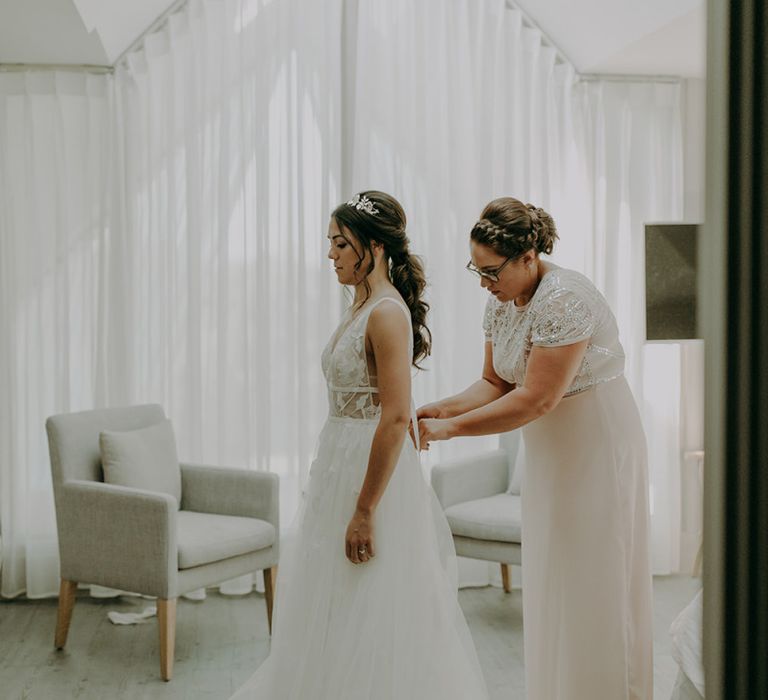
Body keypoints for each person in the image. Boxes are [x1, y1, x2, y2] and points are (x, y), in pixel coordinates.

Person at [230, 191, 488, 699]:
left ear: (372, 246)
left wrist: (365, 508)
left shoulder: (387, 313)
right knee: (334, 595)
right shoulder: (361, 304)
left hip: (374, 475)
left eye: (339, 243)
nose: (330, 254)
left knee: (374, 596)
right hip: (338, 462)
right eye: (330, 243)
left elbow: (394, 417)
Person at [417, 196, 653, 700]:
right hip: (549, 448)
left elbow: (538, 398)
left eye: (491, 271)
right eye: (475, 270)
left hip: (596, 440)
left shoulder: (565, 298)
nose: (483, 282)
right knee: (555, 571)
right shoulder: (502, 299)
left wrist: (452, 432)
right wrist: (440, 409)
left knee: (596, 574)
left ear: (529, 257)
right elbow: (494, 382)